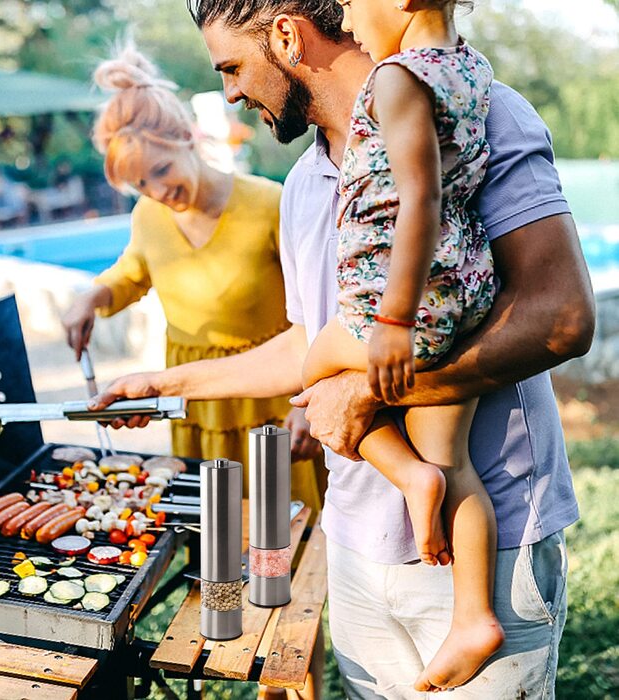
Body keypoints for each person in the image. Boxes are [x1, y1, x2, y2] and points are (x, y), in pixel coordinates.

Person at [89, 3, 595, 696]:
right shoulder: (300, 184)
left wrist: (371, 392)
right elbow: (308, 343)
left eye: (234, 67)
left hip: (488, 546)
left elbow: (562, 317)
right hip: (355, 542)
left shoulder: (479, 114)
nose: (231, 92)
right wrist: (165, 383)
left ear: (289, 36)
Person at [301, 0, 503, 690]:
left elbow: (419, 196)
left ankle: (407, 474)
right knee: (456, 461)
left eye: (354, 4)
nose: (348, 20)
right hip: (465, 284)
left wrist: (390, 320)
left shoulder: (397, 78)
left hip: (403, 302)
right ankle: (473, 615)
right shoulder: (473, 68)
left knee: (312, 373)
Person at [62, 46, 323, 513]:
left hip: (272, 395)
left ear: (186, 136)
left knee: (283, 526)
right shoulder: (150, 215)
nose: (158, 192)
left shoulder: (268, 203)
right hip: (195, 401)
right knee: (212, 527)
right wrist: (92, 296)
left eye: (161, 171)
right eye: (141, 185)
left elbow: (319, 312)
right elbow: (133, 271)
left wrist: (305, 402)